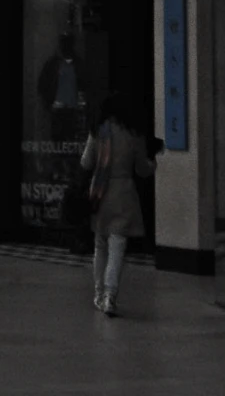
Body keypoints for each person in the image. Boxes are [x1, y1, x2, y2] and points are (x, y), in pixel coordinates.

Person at [80, 93, 155, 317]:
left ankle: (98, 293)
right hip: (124, 194)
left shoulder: (97, 133)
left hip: (100, 194)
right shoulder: (133, 135)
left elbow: (85, 163)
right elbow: (142, 169)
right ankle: (110, 296)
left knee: (100, 246)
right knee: (117, 248)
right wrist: (154, 164)